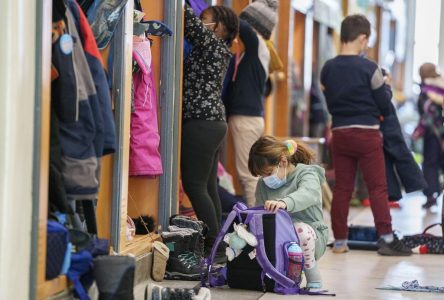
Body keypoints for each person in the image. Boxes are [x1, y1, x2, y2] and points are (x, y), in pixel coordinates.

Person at [320, 14, 411, 256]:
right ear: (362, 38)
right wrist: (387, 85)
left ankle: (339, 241)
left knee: (342, 189)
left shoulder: (328, 68)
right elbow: (383, 104)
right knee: (377, 188)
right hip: (367, 135)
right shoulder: (370, 68)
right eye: (367, 41)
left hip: (339, 133)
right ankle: (387, 239)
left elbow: (329, 101)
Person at [181, 3, 239, 257]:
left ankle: (213, 245)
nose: (200, 20)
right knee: (208, 186)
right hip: (214, 122)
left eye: (205, 18)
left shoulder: (212, 44)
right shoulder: (219, 50)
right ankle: (218, 244)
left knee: (194, 185)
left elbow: (185, 20)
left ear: (221, 27)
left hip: (201, 121)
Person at [248, 136, 329, 289]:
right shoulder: (263, 185)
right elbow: (260, 214)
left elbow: (308, 194)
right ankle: (281, 274)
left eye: (268, 173)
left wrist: (284, 203)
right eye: (262, 175)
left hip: (312, 235)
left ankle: (313, 277)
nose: (265, 179)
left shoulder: (307, 173)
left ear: (283, 162)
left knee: (300, 230)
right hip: (281, 237)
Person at [223, 0, 277, 207]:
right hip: (250, 117)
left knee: (248, 176)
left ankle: (258, 226)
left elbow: (240, 24)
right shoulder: (257, 51)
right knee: (252, 175)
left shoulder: (256, 46)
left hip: (246, 120)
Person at [412, 63, 444, 209]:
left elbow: (429, 113)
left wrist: (419, 130)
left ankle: (431, 195)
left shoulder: (427, 90)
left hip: (433, 133)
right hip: (441, 132)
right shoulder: (440, 87)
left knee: (430, 165)